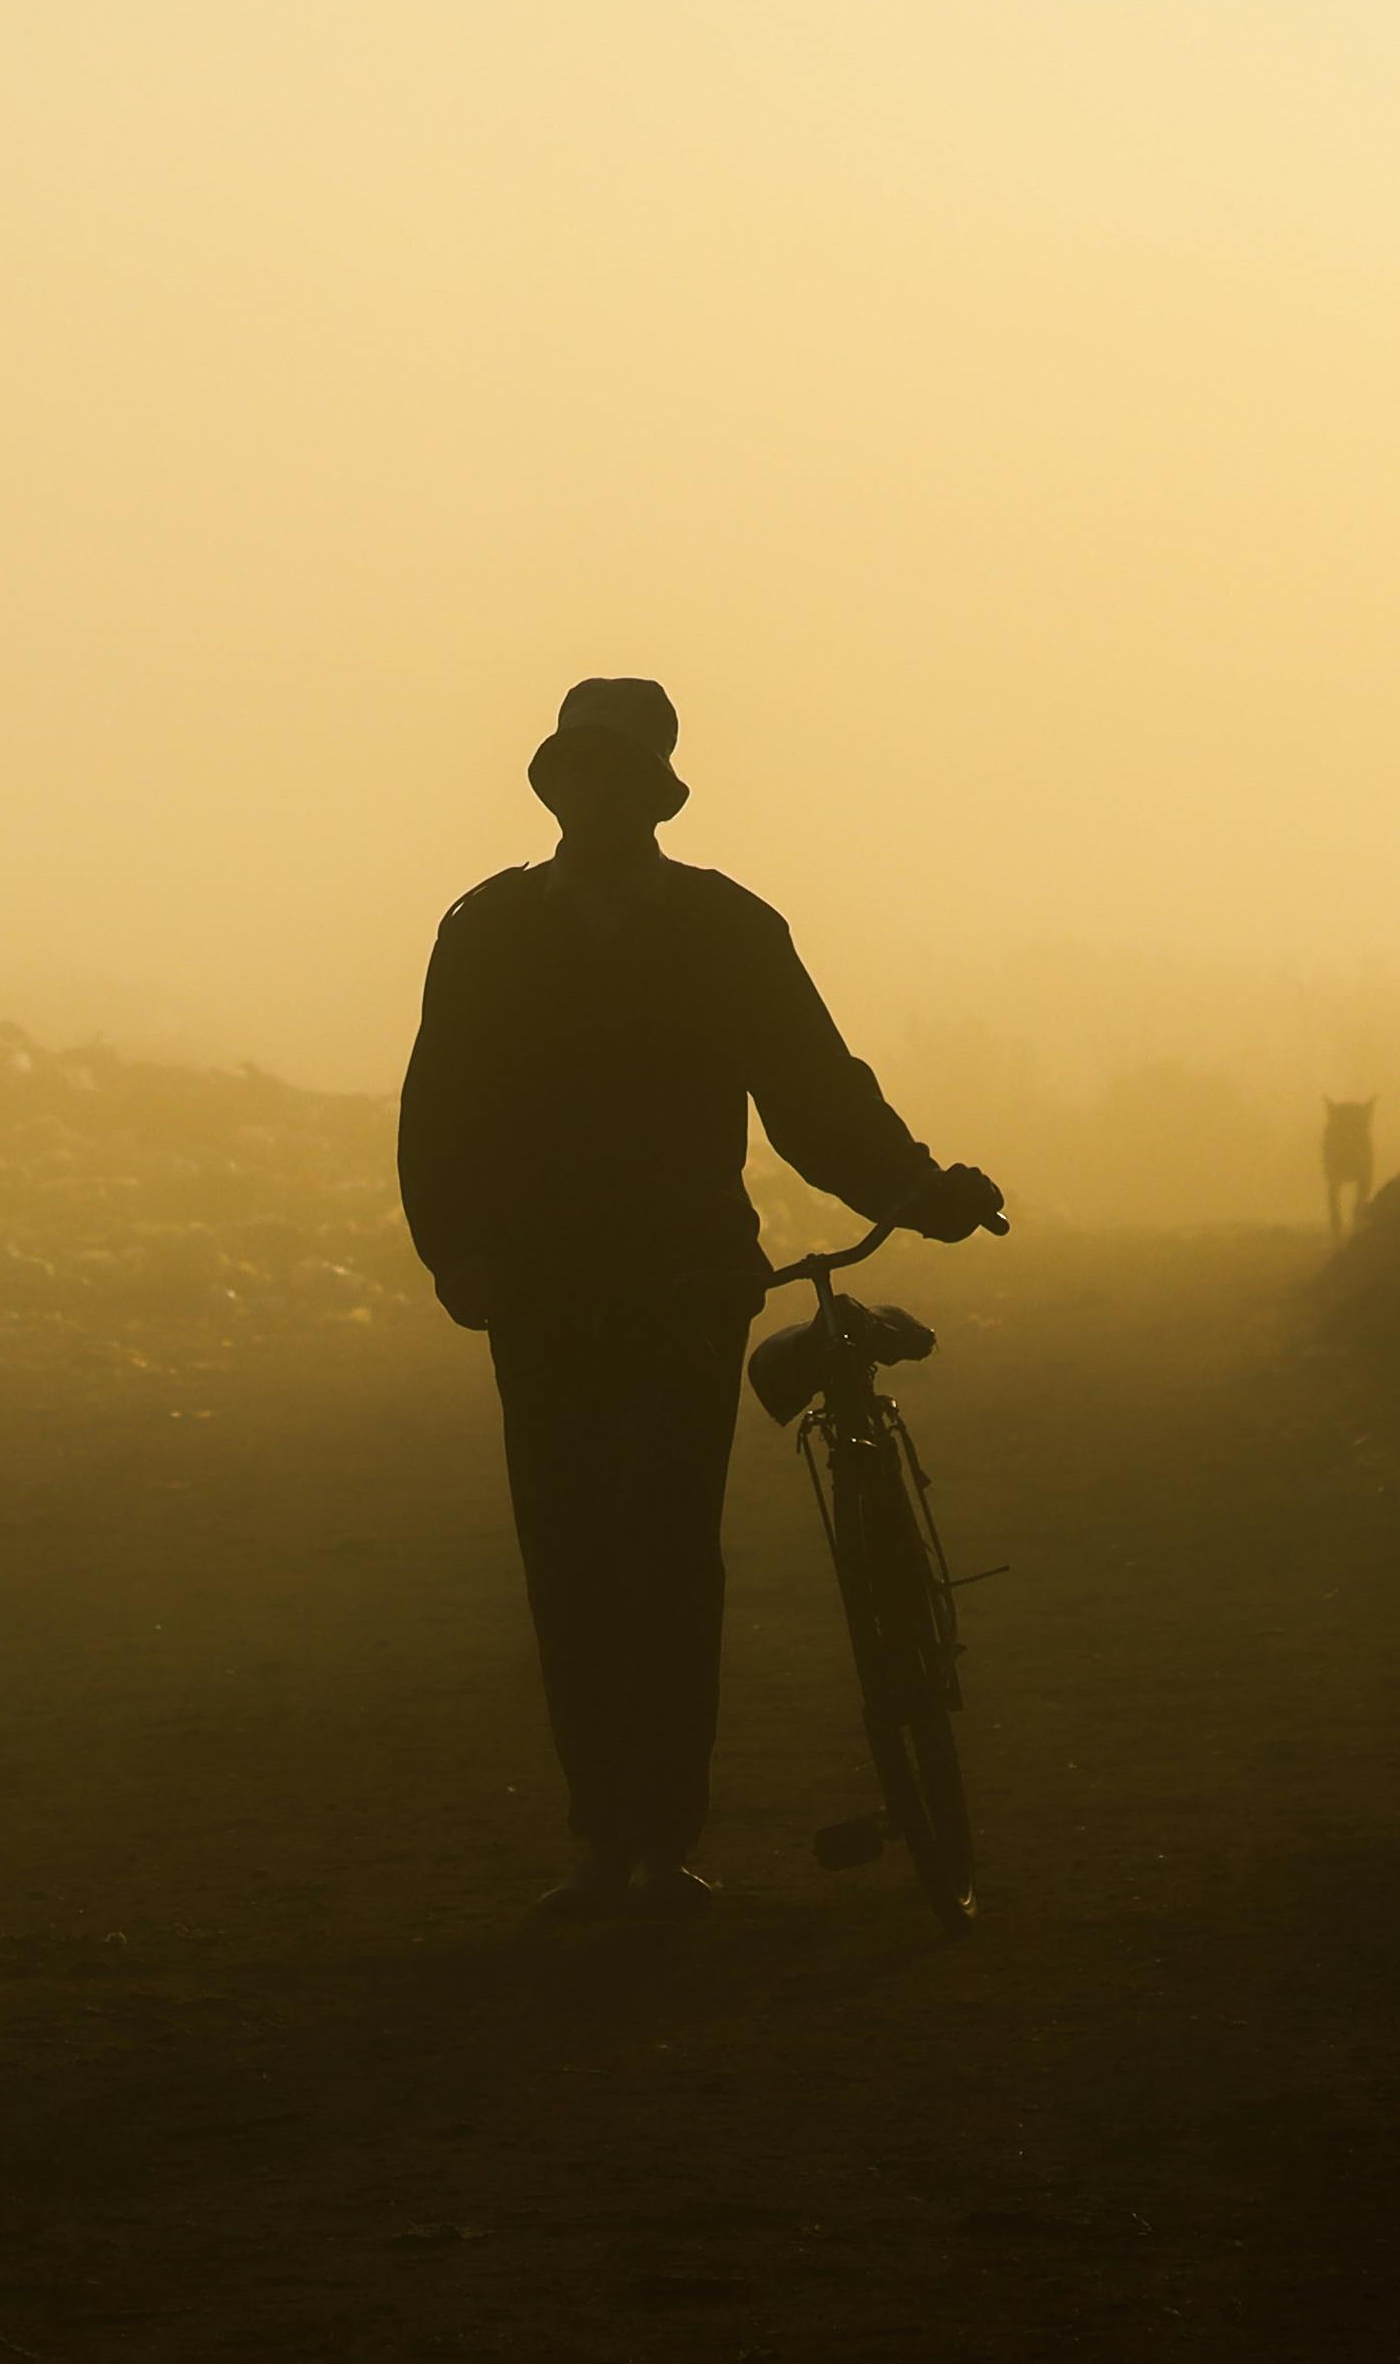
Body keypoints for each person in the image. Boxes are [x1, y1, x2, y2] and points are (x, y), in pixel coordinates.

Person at [397, 676, 1003, 1920]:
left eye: (618, 779)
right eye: (584, 778)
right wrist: (458, 1255)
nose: (600, 797)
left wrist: (919, 1184)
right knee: (571, 1556)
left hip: (676, 1285)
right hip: (544, 1289)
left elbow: (813, 1093)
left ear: (651, 796)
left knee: (663, 1555)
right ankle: (608, 1832)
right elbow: (438, 1113)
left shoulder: (721, 931)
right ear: (561, 791)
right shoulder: (489, 932)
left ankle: (652, 1837)